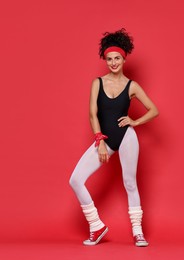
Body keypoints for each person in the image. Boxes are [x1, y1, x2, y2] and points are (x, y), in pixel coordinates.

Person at [69, 28, 159, 247]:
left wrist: (135, 122)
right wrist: (99, 141)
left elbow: (153, 110)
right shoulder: (97, 83)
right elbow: (92, 114)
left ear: (124, 58)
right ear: (105, 59)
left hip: (127, 137)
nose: (113, 62)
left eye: (117, 58)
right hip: (105, 139)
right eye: (109, 59)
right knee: (75, 180)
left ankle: (138, 232)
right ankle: (96, 225)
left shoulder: (132, 86)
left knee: (130, 183)